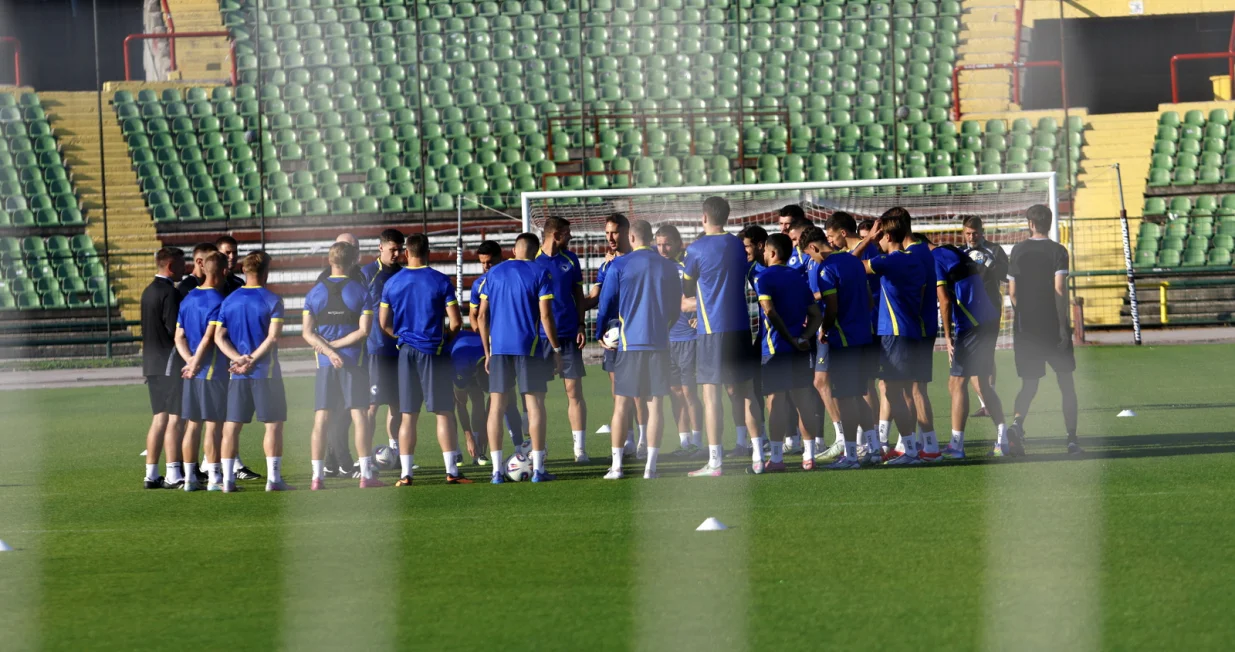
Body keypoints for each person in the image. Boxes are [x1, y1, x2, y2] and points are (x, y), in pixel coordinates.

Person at [683, 197, 765, 477]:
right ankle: (757, 456)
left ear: (703, 217)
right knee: (747, 392)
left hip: (711, 330)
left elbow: (687, 290)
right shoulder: (736, 246)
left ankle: (715, 461)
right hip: (741, 327)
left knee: (711, 396)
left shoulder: (694, 249)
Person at [380, 233, 469, 485]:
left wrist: (401, 338)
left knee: (408, 415)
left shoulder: (392, 283)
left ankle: (406, 474)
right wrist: (444, 340)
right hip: (434, 351)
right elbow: (456, 322)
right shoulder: (441, 281)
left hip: (406, 352)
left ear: (406, 253)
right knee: (443, 412)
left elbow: (383, 323)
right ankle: (451, 472)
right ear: (428, 251)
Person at [597, 219, 682, 479]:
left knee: (621, 404)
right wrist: (663, 329)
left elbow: (606, 303)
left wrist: (601, 332)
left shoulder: (618, 265)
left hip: (629, 344)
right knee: (656, 404)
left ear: (631, 238)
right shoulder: (668, 266)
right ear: (650, 238)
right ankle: (651, 468)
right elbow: (675, 308)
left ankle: (617, 467)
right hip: (658, 343)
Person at [477, 232, 563, 483]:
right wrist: (556, 350)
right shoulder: (540, 272)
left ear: (514, 250)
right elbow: (545, 316)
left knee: (496, 406)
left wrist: (487, 352)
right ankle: (538, 470)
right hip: (530, 348)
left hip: (500, 349)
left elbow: (481, 316)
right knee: (534, 406)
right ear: (536, 252)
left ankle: (495, 472)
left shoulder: (493, 273)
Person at [303, 241, 381, 490]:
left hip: (325, 364)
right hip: (352, 362)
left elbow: (307, 333)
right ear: (353, 261)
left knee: (321, 418)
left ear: (330, 261)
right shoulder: (361, 292)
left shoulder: (314, 293)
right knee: (359, 415)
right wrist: (338, 347)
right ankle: (366, 475)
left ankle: (317, 477)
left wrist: (327, 350)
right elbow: (364, 331)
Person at [1007, 205, 1080, 455]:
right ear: (1050, 223)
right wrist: (1062, 326)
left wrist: (1025, 316)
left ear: (1030, 223)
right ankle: (1071, 439)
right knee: (1066, 383)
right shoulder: (1058, 251)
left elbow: (1012, 293)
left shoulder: (1017, 250)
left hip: (1026, 328)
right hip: (1051, 325)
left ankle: (1017, 425)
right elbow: (1059, 290)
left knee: (1029, 384)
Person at [215, 251, 290, 492]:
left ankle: (227, 480)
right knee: (273, 425)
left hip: (237, 373)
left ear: (244, 271)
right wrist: (252, 359)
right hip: (265, 372)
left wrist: (238, 359)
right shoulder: (272, 300)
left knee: (231, 426)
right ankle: (273, 479)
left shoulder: (229, 300)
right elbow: (273, 337)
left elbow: (219, 337)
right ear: (266, 271)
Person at [750, 233, 824, 473]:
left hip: (775, 349)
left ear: (772, 253)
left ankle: (778, 458)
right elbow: (816, 315)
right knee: (804, 399)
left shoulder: (763, 277)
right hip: (800, 348)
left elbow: (770, 312)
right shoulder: (798, 278)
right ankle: (809, 456)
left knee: (777, 402)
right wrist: (803, 337)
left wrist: (790, 339)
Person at [933, 240, 1008, 460]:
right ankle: (1003, 440)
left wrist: (947, 337)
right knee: (980, 382)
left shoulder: (935, 257)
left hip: (972, 324)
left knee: (956, 382)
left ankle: (956, 446)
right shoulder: (951, 251)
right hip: (987, 319)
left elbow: (944, 301)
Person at [863, 211, 927, 466]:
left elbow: (848, 265)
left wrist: (867, 239)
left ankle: (910, 451)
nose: (877, 241)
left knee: (892, 392)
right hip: (910, 330)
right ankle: (910, 448)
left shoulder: (890, 261)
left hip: (895, 333)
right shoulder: (914, 260)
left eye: (880, 236)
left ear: (887, 235)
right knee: (902, 392)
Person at [825, 211, 883, 463]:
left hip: (865, 327)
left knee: (864, 388)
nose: (829, 241)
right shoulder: (854, 253)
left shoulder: (859, 255)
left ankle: (867, 443)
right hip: (864, 326)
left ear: (842, 232)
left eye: (831, 235)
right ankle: (869, 443)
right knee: (862, 388)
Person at [585, 214, 644, 457]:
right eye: (607, 232)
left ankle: (643, 441)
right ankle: (628, 439)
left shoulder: (640, 260)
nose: (610, 237)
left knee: (640, 391)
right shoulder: (606, 265)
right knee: (619, 389)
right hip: (613, 336)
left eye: (615, 232)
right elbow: (595, 297)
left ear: (627, 232)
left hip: (638, 333)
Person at [173, 251, 230, 491]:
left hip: (191, 374)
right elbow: (209, 338)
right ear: (224, 271)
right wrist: (197, 362)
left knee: (192, 424)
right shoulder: (220, 300)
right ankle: (215, 478)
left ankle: (189, 479)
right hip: (211, 371)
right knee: (213, 425)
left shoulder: (187, 298)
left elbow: (179, 337)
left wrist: (188, 362)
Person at [536, 217, 590, 462]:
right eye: (567, 233)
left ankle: (579, 449)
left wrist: (581, 323)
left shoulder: (571, 260)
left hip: (569, 333)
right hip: (539, 338)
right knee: (536, 396)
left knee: (574, 391)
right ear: (556, 235)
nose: (571, 237)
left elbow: (578, 295)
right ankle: (539, 448)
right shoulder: (532, 261)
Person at [469, 240, 528, 450]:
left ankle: (519, 445)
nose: (486, 267)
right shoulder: (479, 284)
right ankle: (518, 446)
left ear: (500, 257)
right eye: (482, 263)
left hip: (514, 343)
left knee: (514, 397)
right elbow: (475, 316)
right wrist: (487, 337)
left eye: (490, 262)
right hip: (496, 348)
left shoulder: (510, 277)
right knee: (502, 399)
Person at [316, 233, 366, 478]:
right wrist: (330, 347)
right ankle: (341, 460)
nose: (351, 252)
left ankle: (333, 461)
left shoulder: (359, 277)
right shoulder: (327, 280)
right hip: (338, 355)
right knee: (342, 410)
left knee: (342, 410)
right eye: (347, 247)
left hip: (351, 354)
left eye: (353, 247)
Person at [656, 224, 703, 457]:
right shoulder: (656, 266)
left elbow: (703, 293)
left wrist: (697, 317)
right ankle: (684, 442)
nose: (663, 249)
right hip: (665, 340)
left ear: (678, 243)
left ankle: (698, 441)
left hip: (688, 337)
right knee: (674, 391)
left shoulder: (688, 264)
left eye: (667, 244)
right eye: (659, 244)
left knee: (689, 391)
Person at [141, 246, 186, 489]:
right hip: (169, 361)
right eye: (181, 264)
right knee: (174, 418)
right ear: (170, 266)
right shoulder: (170, 293)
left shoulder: (148, 291)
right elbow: (173, 330)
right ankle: (173, 474)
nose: (185, 268)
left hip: (151, 363)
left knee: (159, 418)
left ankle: (151, 474)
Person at [361, 229, 406, 462]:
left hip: (399, 349)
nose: (397, 254)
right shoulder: (367, 274)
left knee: (397, 404)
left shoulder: (405, 274)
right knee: (372, 405)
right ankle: (365, 455)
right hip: (375, 349)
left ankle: (396, 450)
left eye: (400, 249)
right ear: (380, 248)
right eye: (392, 249)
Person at [961, 216, 1009, 418]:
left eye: (975, 233)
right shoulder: (960, 253)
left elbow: (1004, 274)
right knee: (970, 357)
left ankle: (990, 401)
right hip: (966, 311)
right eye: (968, 233)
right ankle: (984, 403)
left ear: (982, 231)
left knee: (987, 354)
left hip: (990, 309)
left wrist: (988, 262)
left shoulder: (995, 250)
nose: (972, 237)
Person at [903, 212, 941, 460]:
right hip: (923, 328)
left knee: (914, 389)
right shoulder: (926, 254)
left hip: (917, 330)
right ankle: (920, 444)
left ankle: (930, 446)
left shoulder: (914, 255)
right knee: (912, 388)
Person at [450, 329, 491, 466]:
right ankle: (455, 451)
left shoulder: (493, 363)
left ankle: (478, 452)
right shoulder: (460, 366)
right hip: (451, 358)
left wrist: (486, 428)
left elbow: (494, 398)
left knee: (478, 398)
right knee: (451, 405)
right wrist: (469, 437)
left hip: (477, 358)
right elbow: (461, 404)